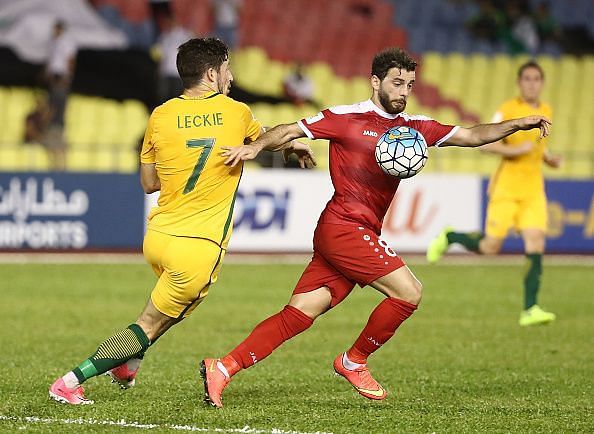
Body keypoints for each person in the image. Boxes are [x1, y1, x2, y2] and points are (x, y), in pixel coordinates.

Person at [200, 47, 552, 408]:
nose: (403, 91)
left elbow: (474, 135)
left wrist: (517, 124)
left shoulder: (414, 128)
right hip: (344, 227)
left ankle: (222, 368)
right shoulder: (347, 118)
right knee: (409, 292)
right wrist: (257, 146)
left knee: (301, 312)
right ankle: (354, 361)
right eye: (397, 83)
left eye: (409, 85)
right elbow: (290, 129)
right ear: (375, 81)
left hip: (352, 230)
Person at [48, 37, 315, 405]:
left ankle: (127, 362)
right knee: (150, 322)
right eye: (226, 69)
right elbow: (265, 138)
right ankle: (71, 381)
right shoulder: (235, 112)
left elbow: (148, 183)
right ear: (211, 74)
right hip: (197, 247)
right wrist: (293, 144)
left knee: (174, 310)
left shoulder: (159, 115)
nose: (231, 76)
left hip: (158, 237)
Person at [427, 60, 560, 327]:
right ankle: (451, 235)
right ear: (520, 83)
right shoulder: (509, 110)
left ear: (542, 83)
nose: (532, 83)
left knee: (536, 244)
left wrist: (548, 159)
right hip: (506, 189)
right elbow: (487, 146)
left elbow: (536, 147)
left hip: (534, 190)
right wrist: (514, 151)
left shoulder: (546, 110)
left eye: (536, 79)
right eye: (527, 79)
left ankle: (530, 308)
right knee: (490, 247)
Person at [44, 20, 77, 170]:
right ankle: (54, 128)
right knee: (53, 103)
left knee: (58, 105)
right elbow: (52, 61)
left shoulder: (67, 42)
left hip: (61, 78)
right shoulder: (53, 42)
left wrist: (67, 77)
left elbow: (70, 60)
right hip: (55, 78)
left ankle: (57, 129)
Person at [156, 14, 193, 102]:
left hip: (178, 74)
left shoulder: (185, 35)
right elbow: (161, 55)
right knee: (164, 98)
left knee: (177, 98)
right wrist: (160, 70)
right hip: (166, 73)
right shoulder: (164, 36)